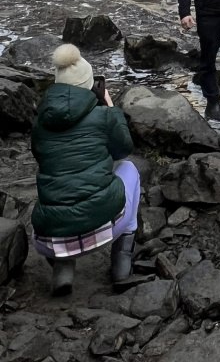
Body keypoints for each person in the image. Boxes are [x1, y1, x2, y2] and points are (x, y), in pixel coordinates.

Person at [31, 44, 141, 297]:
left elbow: (43, 158)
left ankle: (63, 267)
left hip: (46, 241)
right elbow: (123, 149)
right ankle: (121, 266)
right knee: (130, 169)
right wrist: (111, 108)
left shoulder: (40, 123)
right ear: (90, 84)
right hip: (102, 231)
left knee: (56, 190)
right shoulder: (103, 115)